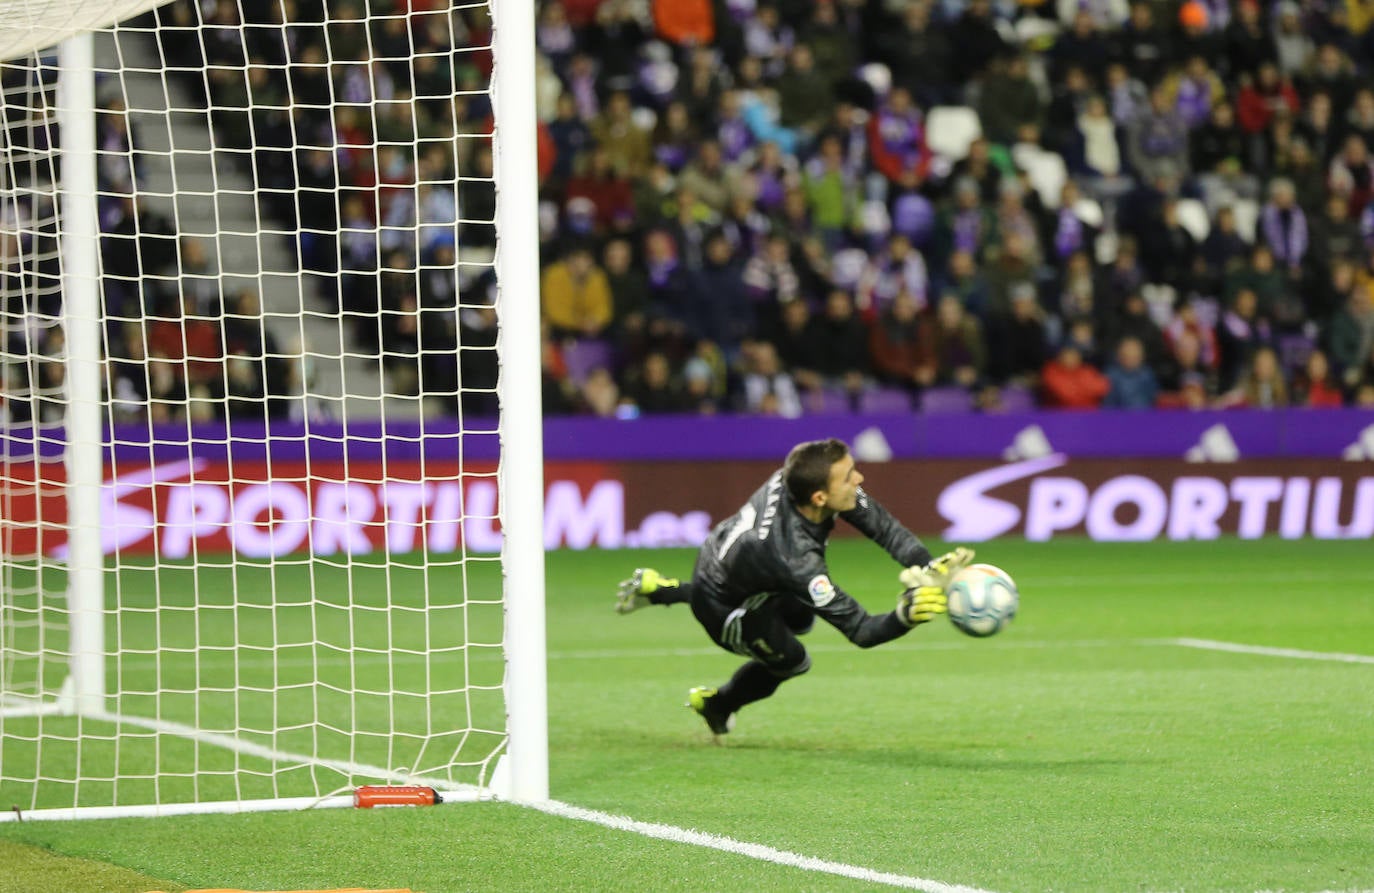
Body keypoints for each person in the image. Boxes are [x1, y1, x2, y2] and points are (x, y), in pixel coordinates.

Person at [613, 438, 973, 735]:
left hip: (733, 558)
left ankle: (664, 589)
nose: (859, 479)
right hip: (726, 608)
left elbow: (885, 529)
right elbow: (861, 630)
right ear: (819, 499)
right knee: (793, 661)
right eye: (849, 476)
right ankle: (716, 704)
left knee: (802, 620)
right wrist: (904, 617)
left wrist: (926, 564)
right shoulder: (795, 560)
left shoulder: (801, 479)